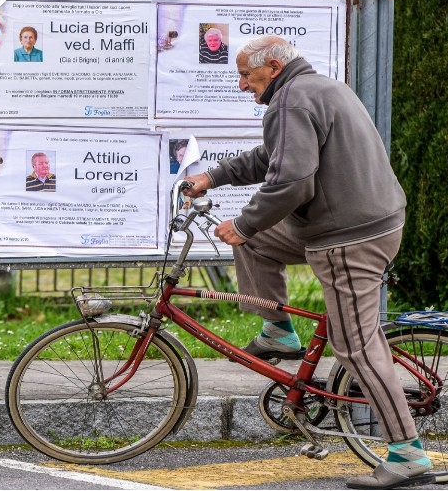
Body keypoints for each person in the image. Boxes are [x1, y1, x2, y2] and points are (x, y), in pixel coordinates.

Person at [183, 35, 433, 490]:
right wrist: (215, 176)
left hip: (348, 236)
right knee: (256, 242)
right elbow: (274, 158)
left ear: (273, 67)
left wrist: (244, 221)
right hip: (354, 220)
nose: (241, 85)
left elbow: (293, 182)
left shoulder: (292, 102)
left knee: (353, 344)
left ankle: (408, 453)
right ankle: (278, 331)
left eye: (245, 75)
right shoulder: (313, 89)